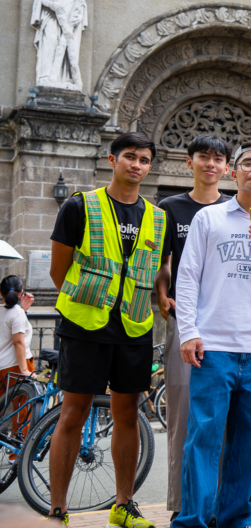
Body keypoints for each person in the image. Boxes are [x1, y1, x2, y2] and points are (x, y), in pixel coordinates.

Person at [171, 139, 251, 528]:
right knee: (204, 438)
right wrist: (188, 332)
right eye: (248, 163)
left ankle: (233, 517)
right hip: (214, 346)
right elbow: (187, 276)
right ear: (235, 172)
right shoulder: (209, 218)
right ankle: (193, 519)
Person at [48, 132, 164, 528]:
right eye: (129, 156)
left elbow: (157, 269)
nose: (137, 164)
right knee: (73, 412)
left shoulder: (157, 216)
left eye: (144, 159)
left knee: (129, 414)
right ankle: (58, 509)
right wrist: (88, 299)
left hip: (133, 326)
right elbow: (57, 270)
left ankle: (123, 505)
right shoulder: (80, 206)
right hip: (85, 324)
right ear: (112, 160)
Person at [155, 135, 232, 523]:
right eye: (204, 157)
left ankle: (220, 505)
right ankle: (182, 505)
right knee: (184, 419)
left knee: (226, 421)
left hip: (228, 325)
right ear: (189, 162)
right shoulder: (170, 208)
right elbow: (163, 262)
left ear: (226, 168)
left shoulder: (234, 209)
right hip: (187, 323)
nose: (211, 164)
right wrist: (162, 296)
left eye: (218, 159)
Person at [1, 275, 35, 393]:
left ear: (0, 293)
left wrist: (24, 310)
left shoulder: (18, 312)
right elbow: (18, 342)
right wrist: (24, 370)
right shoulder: (17, 313)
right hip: (15, 367)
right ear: (21, 292)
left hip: (2, 367)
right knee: (23, 409)